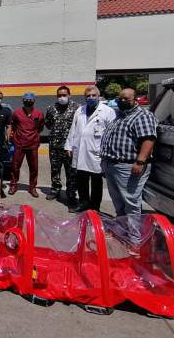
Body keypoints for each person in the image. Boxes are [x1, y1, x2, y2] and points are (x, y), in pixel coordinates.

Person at [100, 88, 158, 248]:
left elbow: (148, 139)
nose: (122, 101)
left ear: (135, 100)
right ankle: (122, 230)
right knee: (118, 201)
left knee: (131, 202)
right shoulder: (119, 116)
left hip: (128, 166)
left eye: (126, 99)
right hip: (112, 165)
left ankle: (135, 240)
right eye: (120, 98)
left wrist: (140, 161)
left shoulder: (142, 116)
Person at [64, 85, 116, 213]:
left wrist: (108, 152)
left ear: (99, 96)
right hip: (80, 150)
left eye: (93, 95)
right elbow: (73, 129)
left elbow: (112, 133)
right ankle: (83, 203)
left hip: (97, 152)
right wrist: (68, 146)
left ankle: (95, 206)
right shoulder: (80, 110)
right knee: (81, 180)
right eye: (88, 96)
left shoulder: (107, 111)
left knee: (96, 181)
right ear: (84, 97)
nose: (91, 98)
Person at [45, 86, 80, 202]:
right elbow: (49, 124)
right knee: (55, 170)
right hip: (55, 146)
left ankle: (71, 193)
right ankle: (55, 190)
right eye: (59, 95)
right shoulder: (51, 108)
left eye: (64, 95)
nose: (62, 97)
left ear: (69, 95)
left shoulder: (77, 108)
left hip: (70, 147)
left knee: (71, 172)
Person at [9, 92, 44, 197]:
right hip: (19, 144)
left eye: (30, 99)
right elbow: (13, 126)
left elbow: (40, 128)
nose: (28, 101)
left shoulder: (39, 113)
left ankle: (32, 187)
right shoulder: (16, 113)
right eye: (26, 99)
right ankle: (13, 185)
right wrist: (15, 138)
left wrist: (34, 136)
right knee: (15, 166)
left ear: (34, 101)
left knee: (34, 167)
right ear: (23, 100)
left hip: (33, 144)